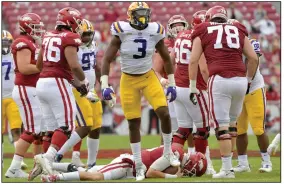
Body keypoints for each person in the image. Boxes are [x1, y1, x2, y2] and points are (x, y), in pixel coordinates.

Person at [100, 2, 179, 181]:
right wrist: (105, 85)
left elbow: (166, 58)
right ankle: (138, 163)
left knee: (164, 113)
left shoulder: (154, 30)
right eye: (140, 13)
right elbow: (107, 59)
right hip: (128, 80)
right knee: (133, 123)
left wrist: (172, 83)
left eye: (145, 13)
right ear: (131, 15)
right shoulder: (122, 30)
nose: (143, 16)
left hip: (148, 76)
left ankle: (167, 152)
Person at [188, 6, 258, 178]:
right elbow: (253, 58)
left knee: (222, 127)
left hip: (219, 79)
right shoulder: (238, 27)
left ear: (209, 17)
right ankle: (231, 165)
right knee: (232, 123)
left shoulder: (203, 28)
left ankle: (227, 170)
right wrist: (248, 80)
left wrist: (192, 86)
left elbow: (193, 60)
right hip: (240, 80)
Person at [29, 7, 89, 180]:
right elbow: (74, 65)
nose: (78, 26)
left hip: (41, 83)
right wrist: (83, 81)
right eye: (77, 22)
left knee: (51, 129)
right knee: (67, 127)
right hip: (57, 84)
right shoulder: (70, 37)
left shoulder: (47, 35)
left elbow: (39, 66)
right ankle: (47, 159)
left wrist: (72, 80)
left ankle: (44, 165)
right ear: (71, 22)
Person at [171, 10, 216, 175]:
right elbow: (203, 67)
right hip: (194, 87)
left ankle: (172, 163)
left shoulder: (181, 35)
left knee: (183, 129)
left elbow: (171, 58)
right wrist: (210, 85)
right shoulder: (200, 37)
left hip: (177, 86)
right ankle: (202, 165)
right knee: (202, 129)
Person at [54, 19, 103, 169]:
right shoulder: (72, 47)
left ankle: (91, 163)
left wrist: (104, 83)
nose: (87, 38)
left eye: (89, 34)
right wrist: (80, 85)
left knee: (96, 125)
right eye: (84, 35)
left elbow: (95, 66)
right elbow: (69, 69)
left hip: (91, 90)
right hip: (78, 89)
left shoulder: (93, 45)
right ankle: (58, 155)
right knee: (86, 125)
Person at [5, 13, 45, 178]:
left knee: (39, 131)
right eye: (35, 27)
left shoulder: (30, 42)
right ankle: (14, 168)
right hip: (25, 89)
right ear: (27, 27)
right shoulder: (22, 42)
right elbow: (24, 68)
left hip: (31, 89)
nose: (38, 30)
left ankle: (39, 164)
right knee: (32, 130)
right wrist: (43, 68)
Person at [40, 145, 207, 182]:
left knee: (88, 170)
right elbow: (151, 172)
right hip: (129, 164)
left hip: (130, 168)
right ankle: (54, 178)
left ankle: (49, 165)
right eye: (193, 170)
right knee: (96, 176)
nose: (190, 172)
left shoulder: (177, 151)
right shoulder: (174, 153)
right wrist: (172, 177)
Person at [233, 38, 272, 173]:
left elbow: (254, 60)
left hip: (254, 88)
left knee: (258, 129)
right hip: (238, 90)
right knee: (240, 130)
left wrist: (247, 82)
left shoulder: (250, 41)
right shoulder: (226, 45)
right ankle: (243, 163)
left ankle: (266, 161)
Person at [153, 14, 189, 135]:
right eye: (175, 26)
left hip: (187, 84)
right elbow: (156, 70)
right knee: (169, 122)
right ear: (169, 28)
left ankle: (191, 151)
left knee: (190, 124)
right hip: (170, 86)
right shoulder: (165, 44)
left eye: (181, 25)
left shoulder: (192, 40)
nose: (178, 28)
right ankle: (166, 150)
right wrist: (162, 80)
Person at [2, 30, 27, 171]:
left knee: (17, 128)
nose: (5, 45)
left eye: (7, 42)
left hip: (12, 97)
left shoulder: (15, 56)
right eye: (3, 42)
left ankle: (19, 160)